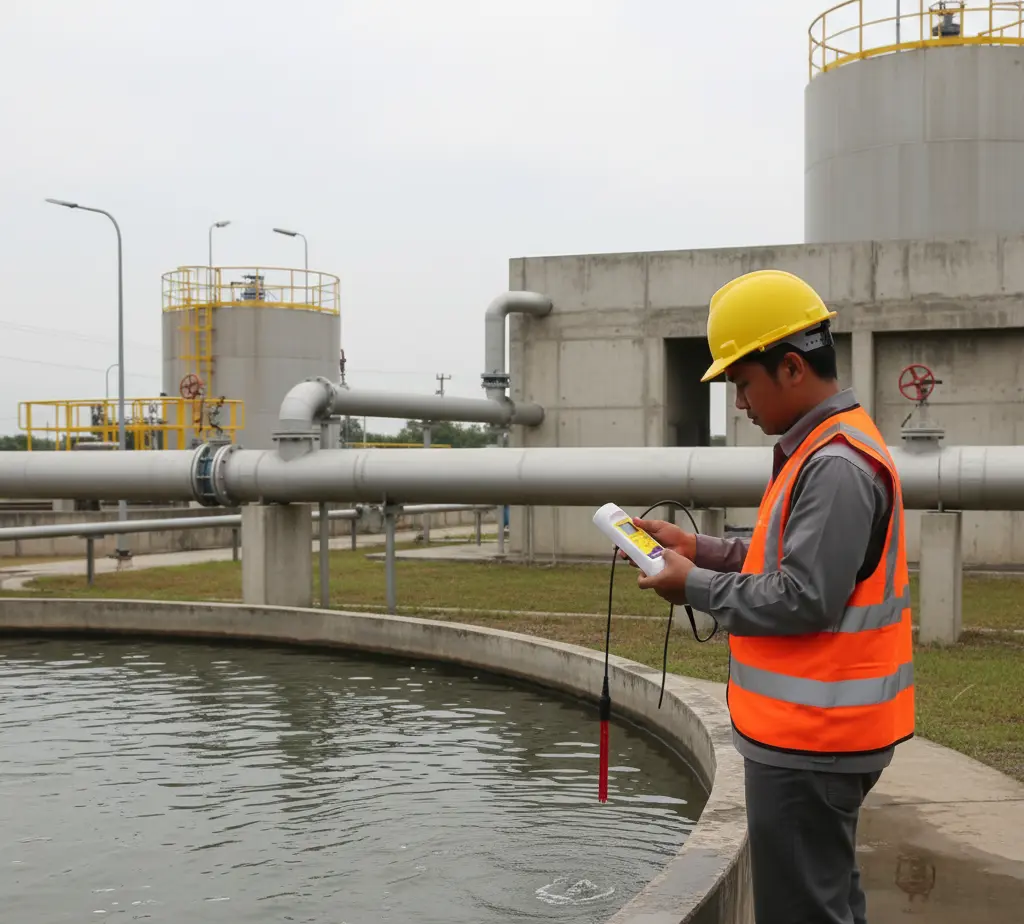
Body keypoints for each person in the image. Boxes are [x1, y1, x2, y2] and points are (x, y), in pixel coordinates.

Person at [633, 269, 915, 924]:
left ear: (790, 368)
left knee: (802, 912)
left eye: (742, 382)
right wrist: (698, 550)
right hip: (813, 737)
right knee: (826, 900)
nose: (740, 403)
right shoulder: (815, 450)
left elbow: (804, 597)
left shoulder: (835, 464)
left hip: (814, 741)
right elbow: (779, 565)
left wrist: (691, 586)